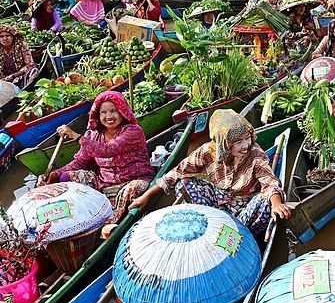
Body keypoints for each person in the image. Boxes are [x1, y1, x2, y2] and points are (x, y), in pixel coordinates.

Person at [129, 110, 292, 237]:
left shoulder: (255, 154)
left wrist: (277, 203)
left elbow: (269, 182)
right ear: (224, 144)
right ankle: (210, 226)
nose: (246, 145)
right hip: (220, 203)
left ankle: (244, 236)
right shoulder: (208, 151)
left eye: (248, 138)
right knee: (184, 183)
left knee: (265, 202)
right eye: (238, 142)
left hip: (245, 208)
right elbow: (178, 172)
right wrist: (147, 195)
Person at [38, 91, 154, 223]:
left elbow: (108, 150)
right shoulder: (93, 135)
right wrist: (55, 174)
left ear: (122, 111)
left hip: (132, 180)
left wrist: (76, 136)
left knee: (137, 188)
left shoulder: (133, 131)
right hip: (103, 182)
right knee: (66, 177)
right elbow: (80, 162)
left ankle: (110, 220)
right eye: (103, 112)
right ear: (97, 115)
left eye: (113, 111)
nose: (109, 116)